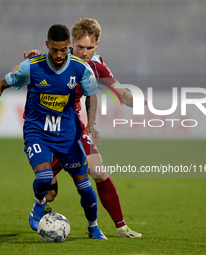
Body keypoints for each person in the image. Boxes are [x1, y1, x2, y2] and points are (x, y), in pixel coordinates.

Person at [0, 24, 107, 240]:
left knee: (84, 187)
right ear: (47, 45)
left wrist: (91, 124)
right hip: (38, 132)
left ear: (69, 46)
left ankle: (93, 227)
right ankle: (39, 203)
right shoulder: (31, 67)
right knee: (44, 177)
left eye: (63, 50)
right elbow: (0, 85)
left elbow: (91, 94)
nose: (60, 55)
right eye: (55, 50)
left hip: (67, 135)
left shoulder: (81, 68)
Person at [24, 18, 146, 238]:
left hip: (73, 131)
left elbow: (119, 91)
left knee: (98, 171)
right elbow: (35, 68)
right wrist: (32, 58)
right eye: (80, 47)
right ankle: (41, 202)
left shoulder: (96, 64)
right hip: (47, 130)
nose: (84, 52)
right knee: (49, 191)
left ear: (97, 45)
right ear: (72, 44)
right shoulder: (59, 58)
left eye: (89, 47)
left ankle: (120, 226)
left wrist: (136, 100)